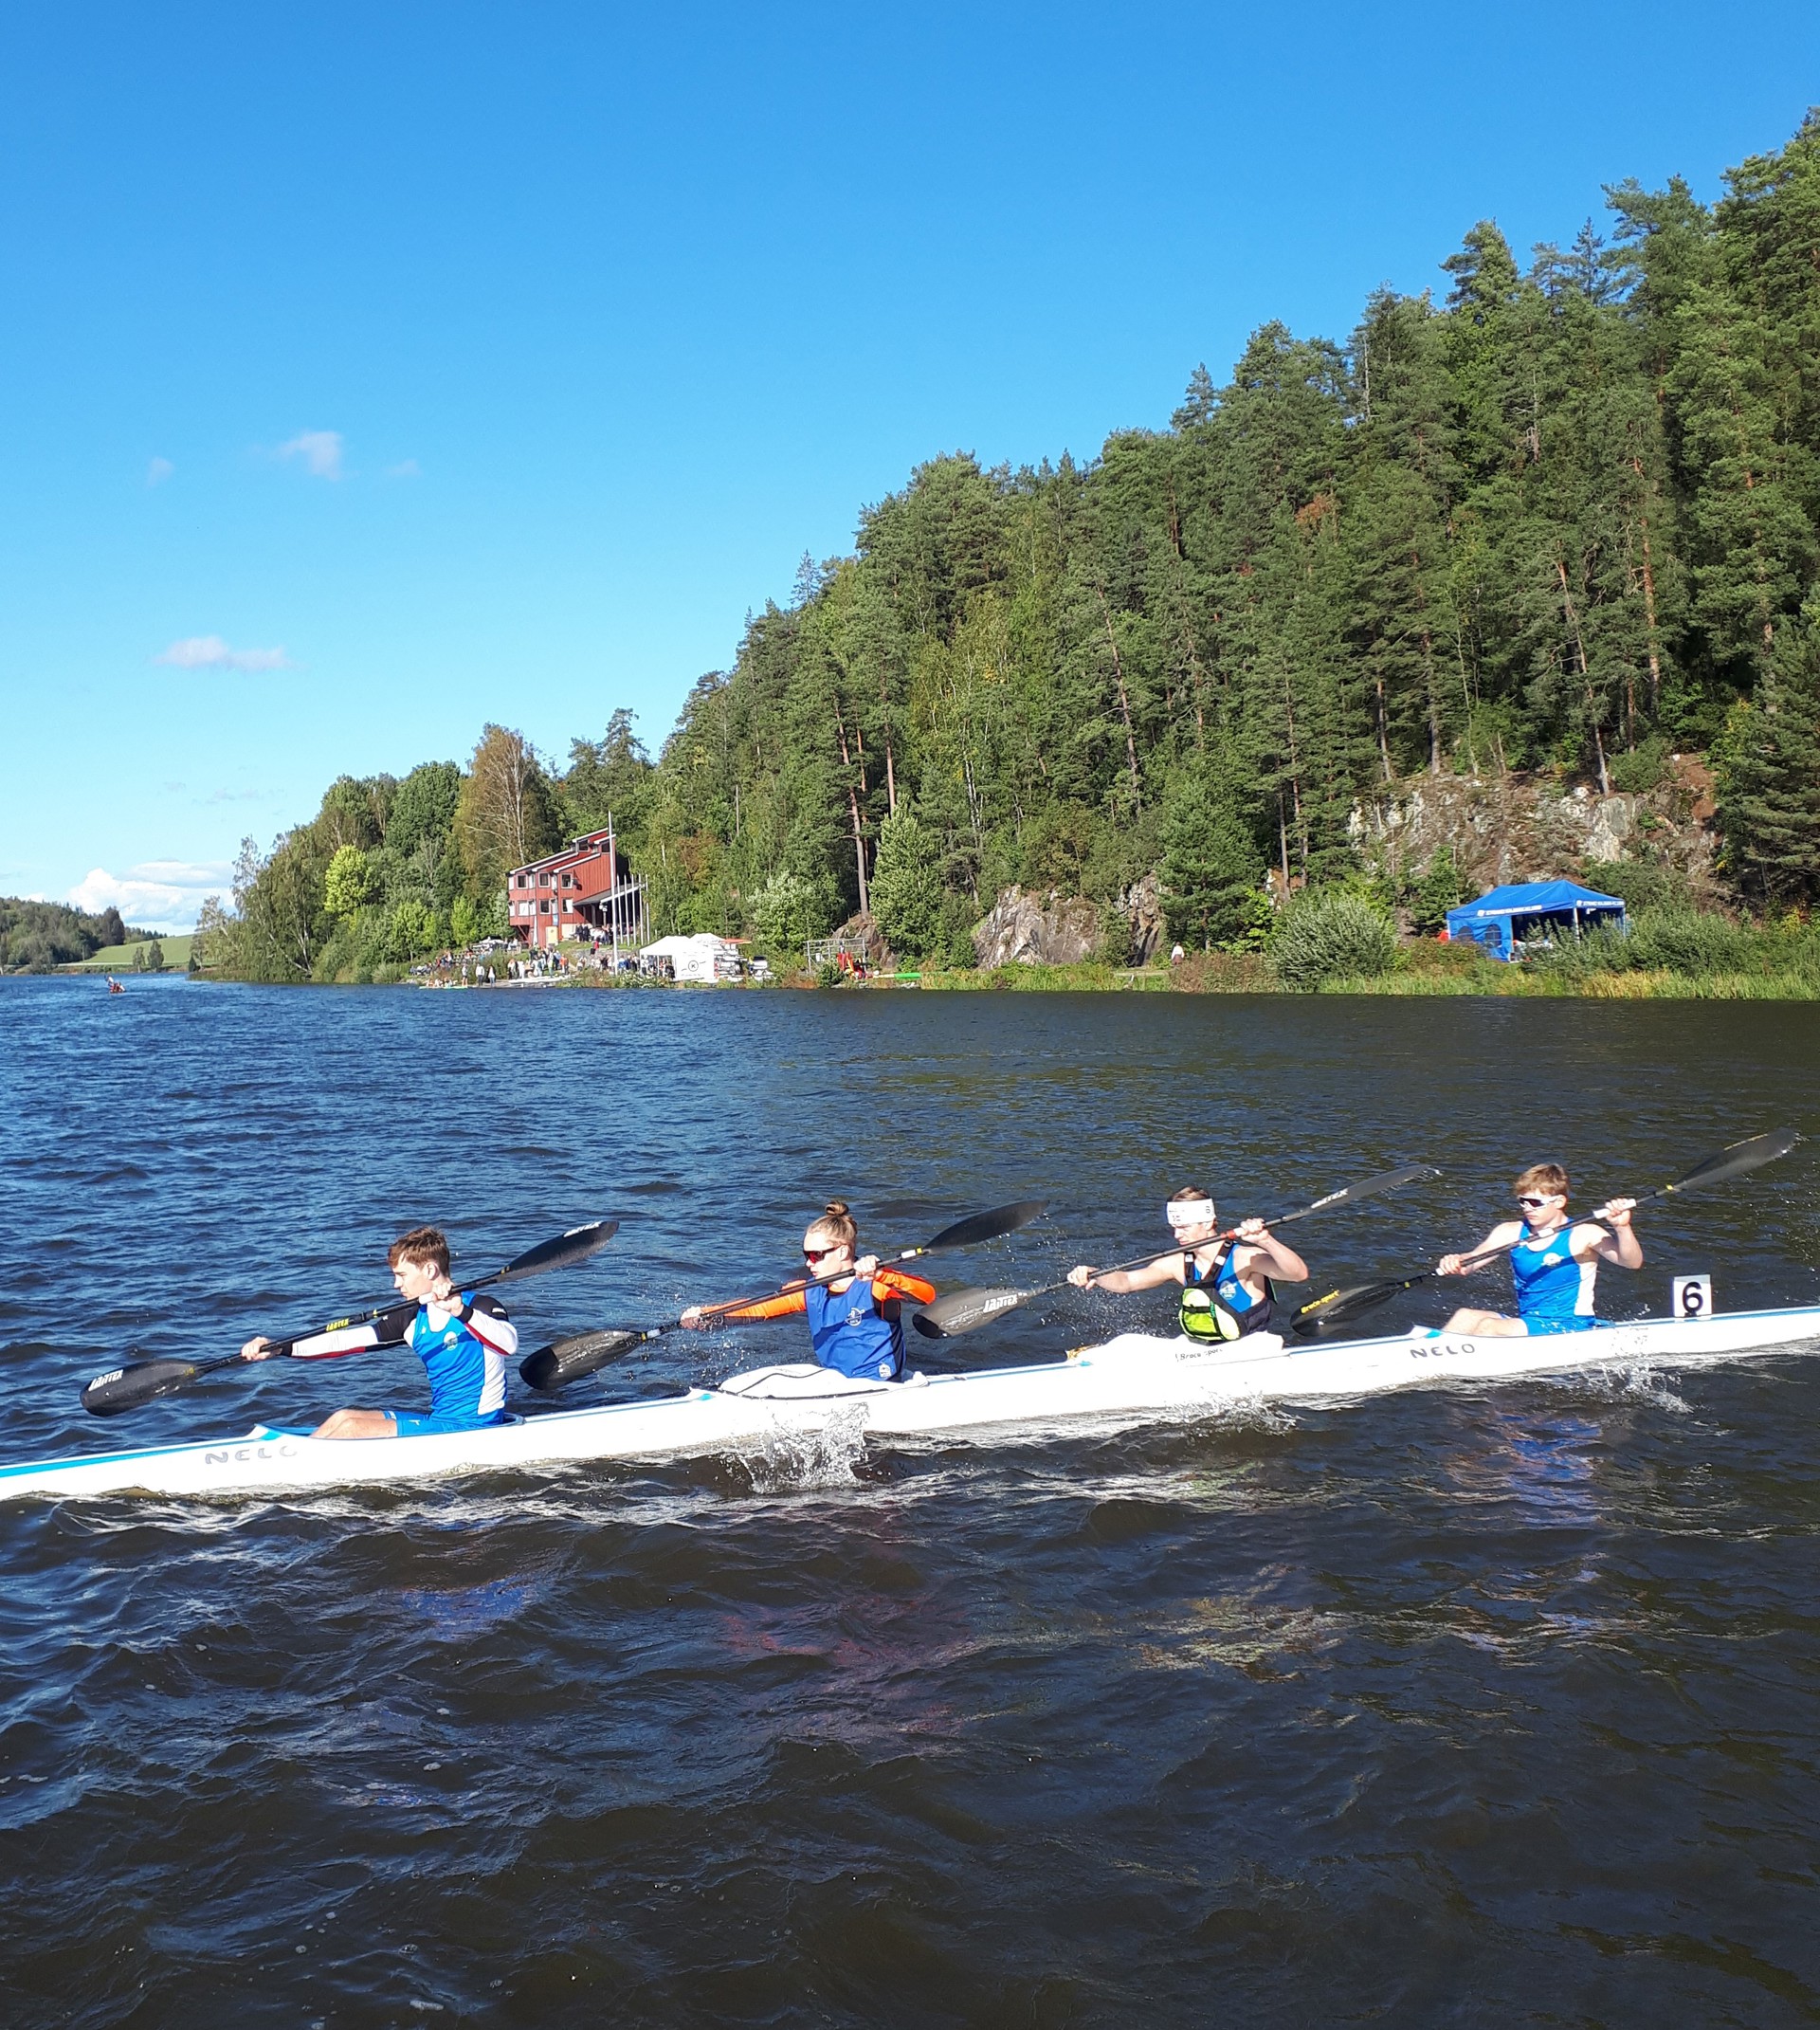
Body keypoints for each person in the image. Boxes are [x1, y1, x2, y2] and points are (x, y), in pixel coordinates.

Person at [241, 1225, 519, 1438]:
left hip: (475, 1428)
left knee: (351, 1428)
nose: (396, 1285)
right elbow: (344, 1340)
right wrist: (280, 1347)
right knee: (343, 1418)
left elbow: (508, 1344)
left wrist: (459, 1311)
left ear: (431, 1270)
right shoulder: (411, 1319)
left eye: (402, 1275)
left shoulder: (480, 1306)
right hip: (442, 1420)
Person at [679, 1200, 935, 1382]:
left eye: (816, 1255)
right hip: (838, 1385)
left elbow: (927, 1296)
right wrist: (707, 1315)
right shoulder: (809, 1291)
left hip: (882, 1385)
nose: (809, 1263)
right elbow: (758, 1308)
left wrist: (881, 1273)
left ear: (843, 1251)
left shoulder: (876, 1286)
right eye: (806, 1256)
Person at [1066, 1186, 1308, 1342]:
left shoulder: (1245, 1258)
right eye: (1174, 1228)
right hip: (1202, 1349)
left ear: (1208, 1222)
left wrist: (1267, 1241)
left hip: (1249, 1349)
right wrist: (1095, 1274)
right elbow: (1128, 1281)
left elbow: (1297, 1274)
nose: (1176, 1235)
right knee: (1127, 1343)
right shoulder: (1177, 1263)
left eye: (1184, 1228)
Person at [1435, 1163, 1641, 1336]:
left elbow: (1632, 1262)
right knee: (1465, 1316)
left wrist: (1621, 1227)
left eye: (1535, 1202)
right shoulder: (1510, 1231)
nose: (1527, 1208)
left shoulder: (1584, 1233)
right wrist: (1458, 1261)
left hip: (1570, 1325)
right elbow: (1473, 1259)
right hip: (1531, 1321)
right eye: (1523, 1201)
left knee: (1489, 1328)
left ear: (1559, 1201)